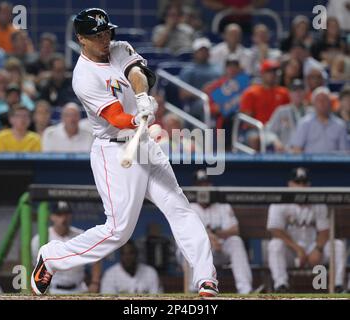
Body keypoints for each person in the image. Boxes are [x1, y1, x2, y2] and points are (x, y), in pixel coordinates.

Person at [31, 8, 218, 298]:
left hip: (144, 146)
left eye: (106, 32)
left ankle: (205, 279)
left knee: (179, 206)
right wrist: (135, 119)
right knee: (119, 231)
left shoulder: (118, 47)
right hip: (114, 151)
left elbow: (136, 72)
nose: (104, 39)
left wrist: (142, 98)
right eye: (96, 35)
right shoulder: (83, 77)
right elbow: (116, 117)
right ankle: (53, 257)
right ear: (81, 39)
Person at [267, 167, 347, 293]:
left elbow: (324, 231)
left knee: (338, 245)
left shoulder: (318, 201)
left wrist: (318, 249)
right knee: (275, 245)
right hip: (292, 252)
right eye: (297, 183)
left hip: (313, 249)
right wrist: (298, 249)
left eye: (304, 183)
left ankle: (338, 287)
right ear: (290, 184)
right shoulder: (279, 201)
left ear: (309, 185)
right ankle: (281, 286)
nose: (301, 186)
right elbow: (275, 230)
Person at [185, 169, 253, 294]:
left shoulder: (222, 205)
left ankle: (245, 290)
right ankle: (194, 290)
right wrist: (211, 239)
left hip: (220, 250)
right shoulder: (189, 207)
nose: (204, 188)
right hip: (199, 253)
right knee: (195, 245)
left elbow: (235, 230)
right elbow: (190, 233)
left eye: (206, 184)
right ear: (194, 188)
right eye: (200, 185)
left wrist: (216, 235)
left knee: (236, 241)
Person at [32, 201, 102, 294]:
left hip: (79, 289)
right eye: (59, 214)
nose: (63, 218)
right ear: (52, 216)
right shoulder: (40, 238)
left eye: (66, 214)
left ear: (71, 216)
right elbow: (33, 266)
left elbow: (96, 259)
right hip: (52, 290)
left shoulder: (80, 235)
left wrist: (95, 282)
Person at [203, 54, 250, 149]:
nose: (232, 69)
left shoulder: (246, 84)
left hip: (242, 119)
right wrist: (217, 108)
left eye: (235, 66)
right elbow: (211, 107)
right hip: (223, 121)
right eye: (230, 66)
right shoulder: (216, 86)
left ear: (239, 68)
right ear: (226, 68)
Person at [290, 86, 349, 154]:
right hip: (309, 163)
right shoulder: (305, 123)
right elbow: (296, 149)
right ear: (313, 103)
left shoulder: (340, 125)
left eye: (325, 100)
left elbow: (344, 152)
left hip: (333, 163)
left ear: (330, 102)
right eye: (319, 100)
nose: (322, 103)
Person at [179, 37, 222, 120]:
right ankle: (208, 132)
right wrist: (203, 93)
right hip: (197, 102)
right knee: (205, 106)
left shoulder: (218, 69)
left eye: (206, 50)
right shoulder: (189, 70)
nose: (203, 53)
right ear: (195, 53)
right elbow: (183, 93)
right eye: (201, 50)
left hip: (217, 99)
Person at [266, 79, 312, 152]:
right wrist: (275, 141)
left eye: (300, 90)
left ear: (305, 93)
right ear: (289, 93)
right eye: (294, 90)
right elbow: (269, 131)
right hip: (285, 153)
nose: (298, 93)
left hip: (307, 153)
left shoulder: (311, 112)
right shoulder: (281, 111)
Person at [240, 59, 290, 124]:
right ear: (262, 73)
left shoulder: (284, 92)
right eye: (269, 71)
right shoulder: (251, 92)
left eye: (275, 71)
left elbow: (288, 115)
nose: (272, 74)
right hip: (256, 129)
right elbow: (247, 121)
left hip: (278, 130)